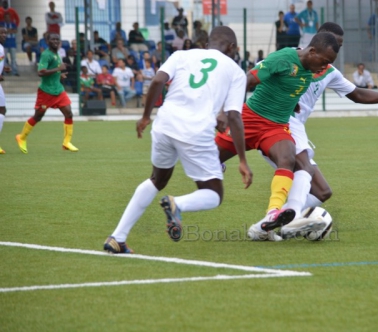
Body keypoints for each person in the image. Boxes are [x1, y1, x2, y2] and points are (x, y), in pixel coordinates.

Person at [103, 26, 251, 253]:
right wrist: (242, 160)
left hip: (165, 123)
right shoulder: (236, 71)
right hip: (196, 130)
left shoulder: (181, 55)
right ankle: (177, 204)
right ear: (231, 47)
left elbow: (157, 82)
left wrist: (145, 117)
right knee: (213, 194)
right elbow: (234, 116)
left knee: (157, 179)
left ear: (207, 43)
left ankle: (117, 238)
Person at [215, 32, 339, 241]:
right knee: (207, 160)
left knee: (289, 159)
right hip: (250, 119)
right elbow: (246, 81)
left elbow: (288, 91)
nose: (325, 67)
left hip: (276, 127)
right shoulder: (283, 59)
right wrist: (223, 111)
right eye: (325, 61)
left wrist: (292, 101)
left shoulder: (308, 72)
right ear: (312, 51)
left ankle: (274, 213)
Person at [15, 33, 78, 154]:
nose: (55, 41)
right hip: (46, 92)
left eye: (57, 39)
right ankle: (21, 137)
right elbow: (41, 72)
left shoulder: (56, 54)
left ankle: (66, 142)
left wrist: (60, 75)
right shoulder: (46, 54)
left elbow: (53, 71)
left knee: (69, 114)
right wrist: (58, 69)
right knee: (38, 116)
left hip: (58, 90)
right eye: (52, 39)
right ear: (47, 41)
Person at [0, 27, 9, 154]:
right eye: (1, 32)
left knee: (2, 109)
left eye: (5, 33)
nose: (4, 35)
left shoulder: (2, 48)